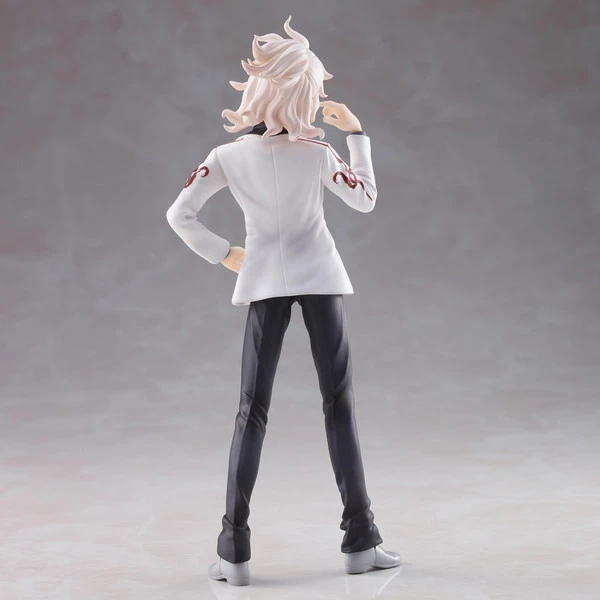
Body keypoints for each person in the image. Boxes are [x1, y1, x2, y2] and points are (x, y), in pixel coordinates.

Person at [165, 16, 401, 586]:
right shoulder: (317, 153)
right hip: (320, 276)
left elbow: (179, 214)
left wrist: (224, 253)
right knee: (338, 406)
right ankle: (361, 539)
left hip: (265, 279)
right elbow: (366, 199)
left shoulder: (227, 156)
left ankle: (233, 552)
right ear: (301, 93)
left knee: (251, 411)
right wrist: (357, 134)